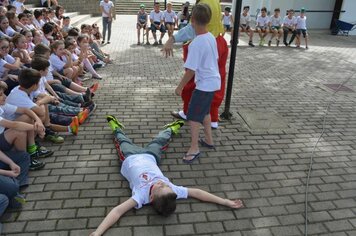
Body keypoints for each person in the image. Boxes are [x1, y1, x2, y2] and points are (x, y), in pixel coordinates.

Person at [89, 116, 244, 236]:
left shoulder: (140, 196)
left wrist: (98, 232)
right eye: (166, 185)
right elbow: (197, 193)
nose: (163, 184)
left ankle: (116, 127)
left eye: (160, 186)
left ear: (151, 199)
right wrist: (224, 201)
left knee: (121, 140)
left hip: (129, 157)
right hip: (151, 156)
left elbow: (117, 211)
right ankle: (172, 128)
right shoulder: (172, 191)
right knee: (161, 140)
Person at [163, 0, 228, 130]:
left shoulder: (198, 40)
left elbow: (192, 70)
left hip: (203, 42)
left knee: (193, 84)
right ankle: (213, 118)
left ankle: (189, 113)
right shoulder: (214, 3)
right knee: (217, 77)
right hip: (219, 41)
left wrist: (179, 87)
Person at [174, 3, 220, 163]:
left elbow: (191, 70)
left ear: (192, 20)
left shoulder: (196, 43)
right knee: (205, 112)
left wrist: (179, 87)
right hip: (214, 82)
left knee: (193, 117)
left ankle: (194, 148)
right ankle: (209, 140)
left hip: (204, 85)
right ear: (208, 20)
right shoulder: (211, 38)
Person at [0, 81, 47, 170]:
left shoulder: (2, 105)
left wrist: (38, 121)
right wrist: (37, 128)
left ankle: (31, 150)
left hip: (3, 132)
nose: (5, 97)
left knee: (27, 118)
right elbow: (14, 125)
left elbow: (25, 110)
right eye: (1, 94)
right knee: (19, 132)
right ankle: (25, 161)